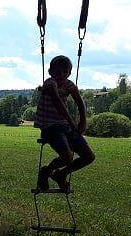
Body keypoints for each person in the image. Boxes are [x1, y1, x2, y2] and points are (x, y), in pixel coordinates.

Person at [34, 55, 95, 191]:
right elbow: (58, 103)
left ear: (69, 73)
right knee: (67, 156)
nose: (61, 75)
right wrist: (72, 123)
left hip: (64, 126)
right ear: (50, 72)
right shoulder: (50, 83)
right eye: (57, 72)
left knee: (88, 157)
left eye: (65, 72)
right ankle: (46, 171)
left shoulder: (69, 84)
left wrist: (83, 121)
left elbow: (80, 102)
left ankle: (61, 174)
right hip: (49, 127)